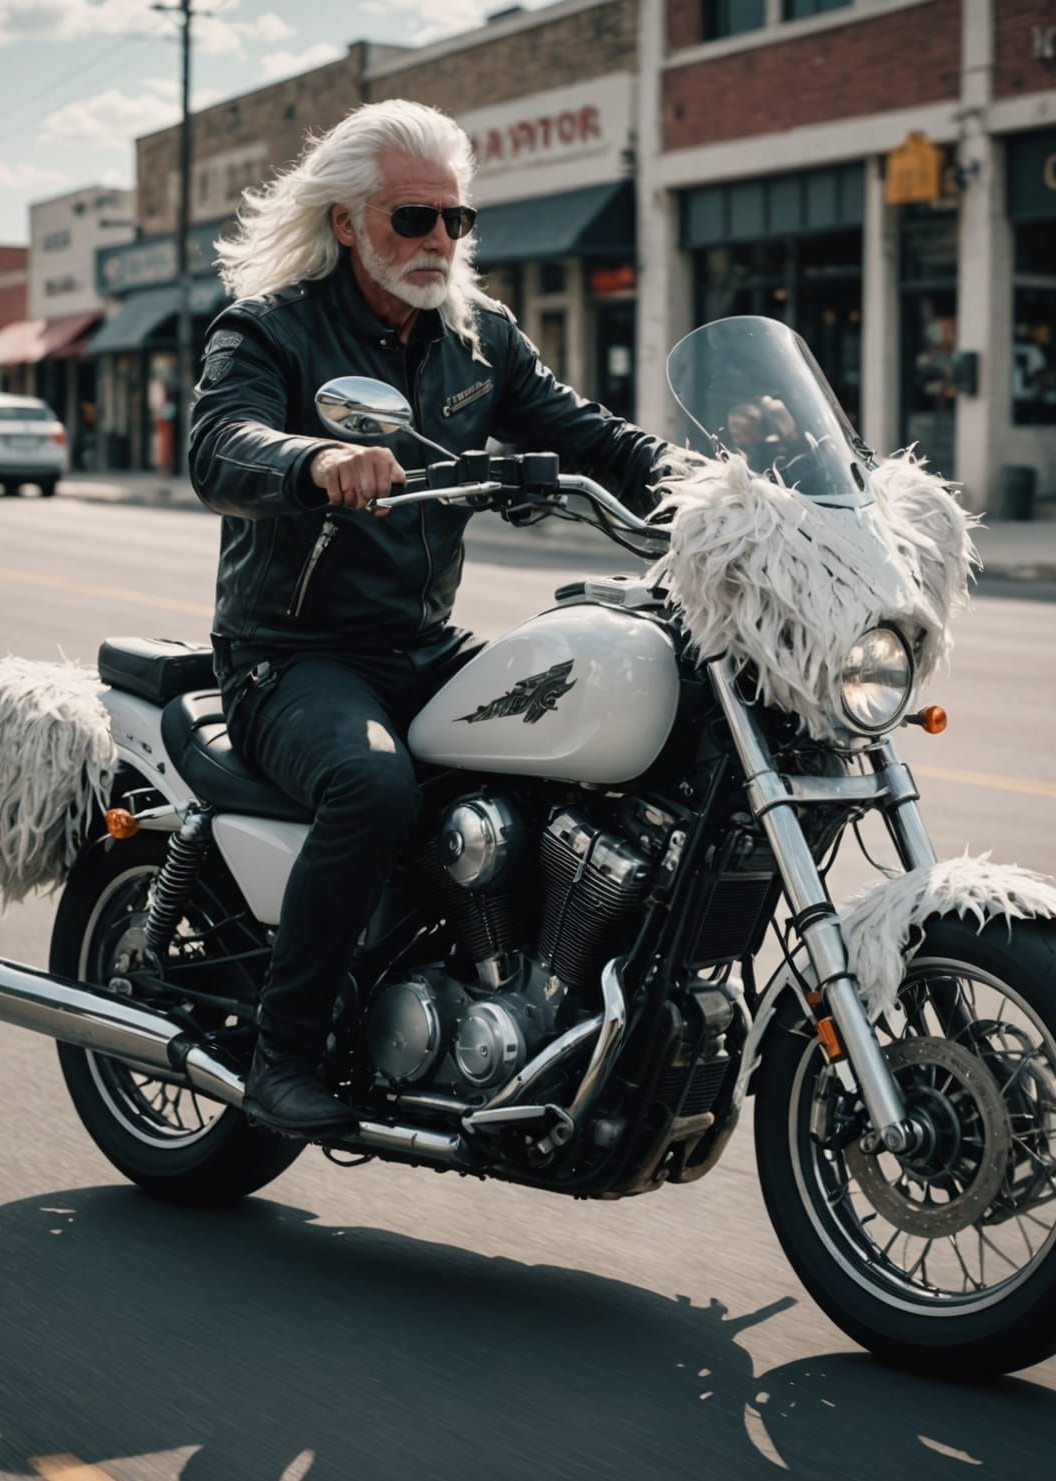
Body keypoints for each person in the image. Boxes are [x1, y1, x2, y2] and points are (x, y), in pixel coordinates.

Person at [188, 100, 670, 1138]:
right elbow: (218, 443)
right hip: (293, 656)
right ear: (349, 221)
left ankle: (517, 1000)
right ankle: (286, 1054)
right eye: (416, 218)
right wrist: (311, 460)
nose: (442, 241)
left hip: (421, 647)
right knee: (368, 782)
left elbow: (592, 436)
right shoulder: (270, 327)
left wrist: (720, 488)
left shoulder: (478, 339)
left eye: (458, 219)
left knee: (572, 742)